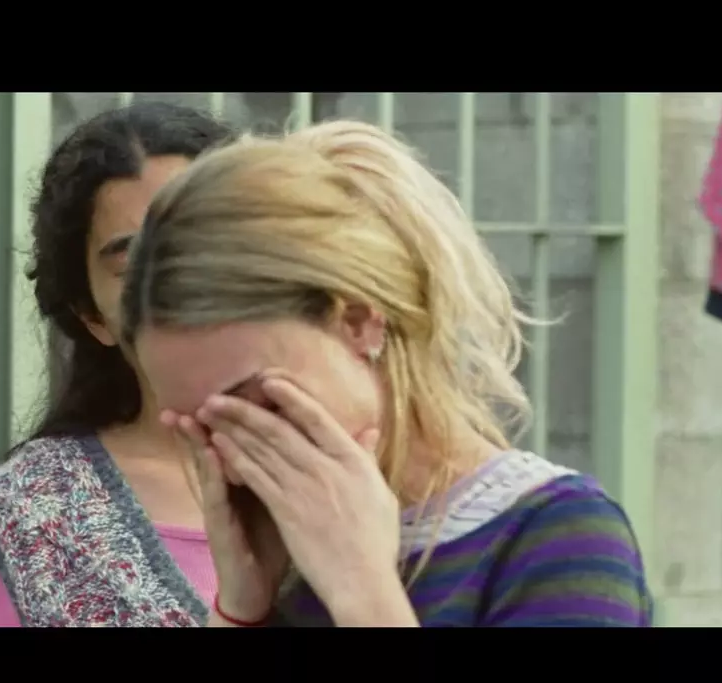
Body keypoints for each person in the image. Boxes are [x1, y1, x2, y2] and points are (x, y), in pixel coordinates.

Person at [119, 120, 654, 627]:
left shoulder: (556, 536)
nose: (235, 464)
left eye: (253, 406)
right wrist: (241, 606)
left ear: (358, 322)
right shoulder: (282, 556)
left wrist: (362, 590)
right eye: (199, 430)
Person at [0, 102, 236, 626]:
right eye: (136, 265)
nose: (183, 283)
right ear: (92, 316)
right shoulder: (31, 518)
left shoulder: (371, 464)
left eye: (206, 243)